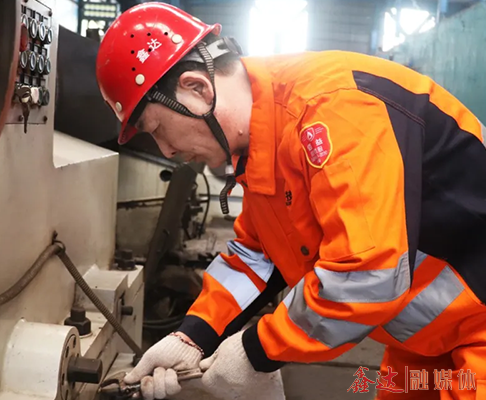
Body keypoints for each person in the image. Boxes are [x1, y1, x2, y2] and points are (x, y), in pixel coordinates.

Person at [96, 3, 486, 400]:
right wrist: (191, 337)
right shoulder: (264, 139)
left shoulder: (333, 107)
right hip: (424, 341)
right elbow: (257, 255)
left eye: (158, 129)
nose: (166, 150)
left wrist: (257, 351)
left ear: (197, 89)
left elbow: (368, 272)